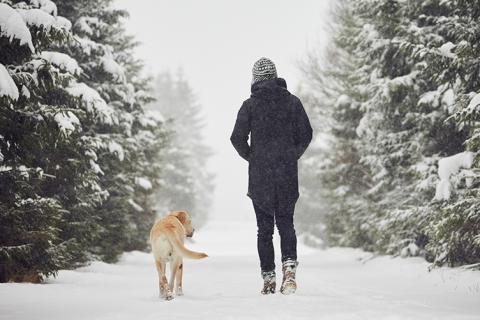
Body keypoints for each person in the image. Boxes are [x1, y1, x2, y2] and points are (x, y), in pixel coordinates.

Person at [230, 57, 313, 295]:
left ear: (255, 79)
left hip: (261, 177)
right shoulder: (292, 102)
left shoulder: (249, 105)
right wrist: (291, 155)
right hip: (287, 174)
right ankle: (289, 271)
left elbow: (236, 138)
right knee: (286, 223)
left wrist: (253, 158)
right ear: (276, 77)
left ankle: (268, 279)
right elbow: (306, 134)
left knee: (264, 229)